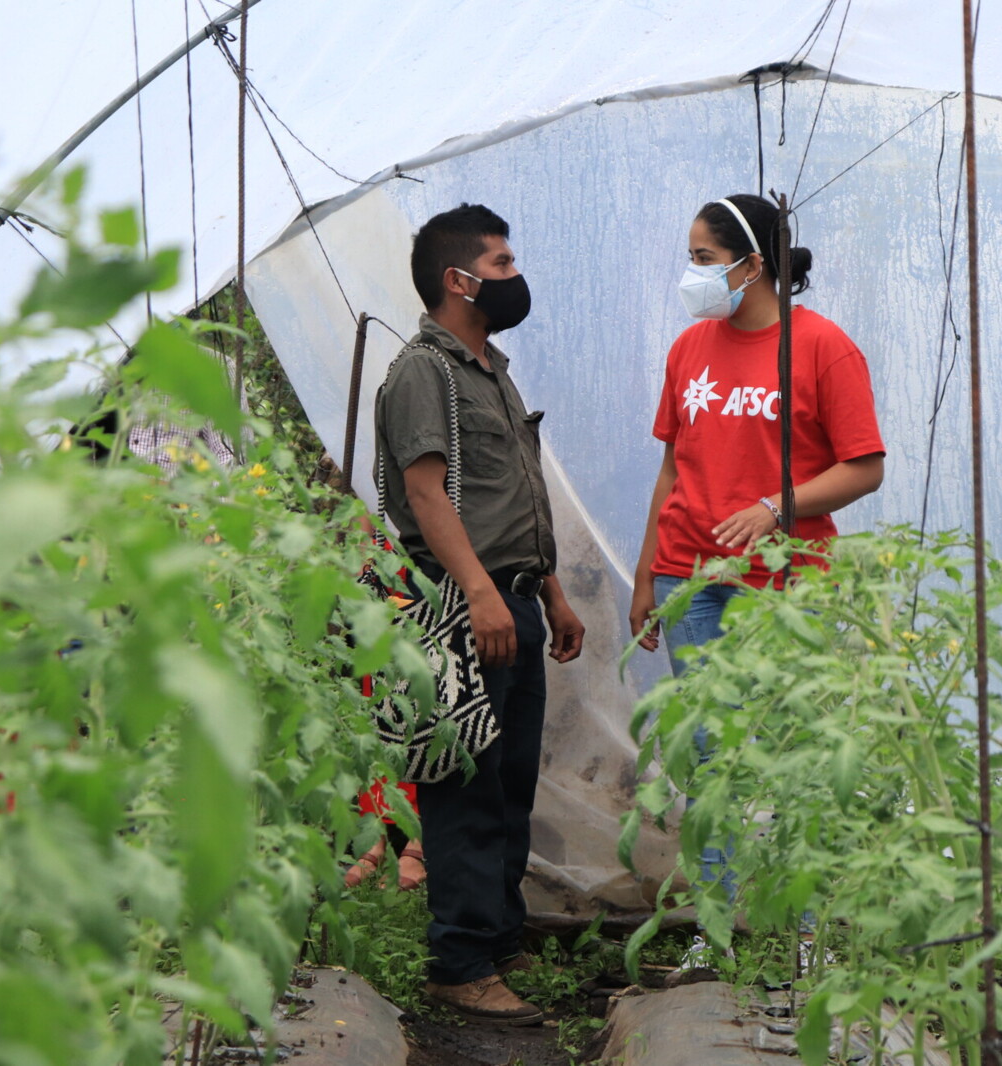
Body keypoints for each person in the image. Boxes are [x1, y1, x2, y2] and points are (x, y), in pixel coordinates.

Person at [628, 193, 886, 892]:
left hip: (786, 583)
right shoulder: (688, 351)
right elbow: (670, 468)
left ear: (752, 264)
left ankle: (809, 932)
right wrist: (646, 574)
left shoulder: (822, 348)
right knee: (708, 756)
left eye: (704, 259)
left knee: (795, 750)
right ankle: (716, 928)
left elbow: (865, 467)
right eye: (691, 259)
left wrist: (779, 507)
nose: (693, 274)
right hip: (690, 580)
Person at [372, 202, 584, 1026]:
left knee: (508, 780)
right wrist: (484, 594)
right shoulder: (423, 372)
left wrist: (551, 591)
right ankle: (457, 962)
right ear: (459, 281)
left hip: (513, 600)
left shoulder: (489, 368)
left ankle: (494, 936)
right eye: (501, 264)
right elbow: (427, 494)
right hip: (464, 608)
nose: (513, 275)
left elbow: (515, 491)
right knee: (463, 783)